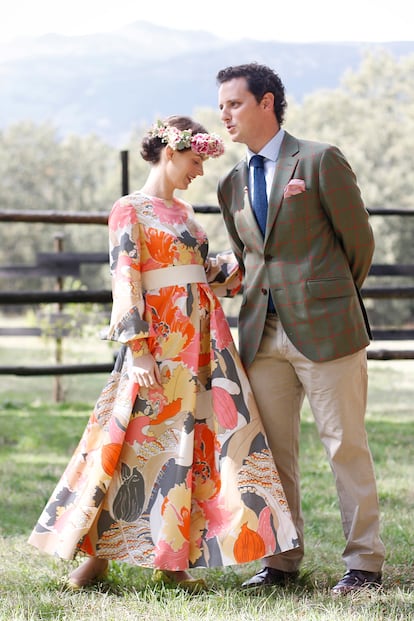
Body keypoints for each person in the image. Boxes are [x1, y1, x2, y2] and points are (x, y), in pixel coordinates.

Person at [28, 115, 298, 592]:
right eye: (195, 161)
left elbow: (206, 272)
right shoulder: (129, 209)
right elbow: (125, 277)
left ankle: (172, 562)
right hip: (158, 345)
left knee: (189, 446)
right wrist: (139, 349)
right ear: (170, 152)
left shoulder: (187, 213)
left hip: (202, 344)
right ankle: (95, 560)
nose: (199, 170)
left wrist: (268, 237)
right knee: (129, 443)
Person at [215, 63, 385, 595]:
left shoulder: (318, 160)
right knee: (273, 453)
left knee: (346, 446)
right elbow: (250, 257)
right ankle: (281, 562)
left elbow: (358, 244)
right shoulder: (231, 182)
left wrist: (324, 295)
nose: (225, 115)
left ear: (267, 103)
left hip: (327, 330)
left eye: (235, 104)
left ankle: (364, 565)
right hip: (260, 338)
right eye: (220, 106)